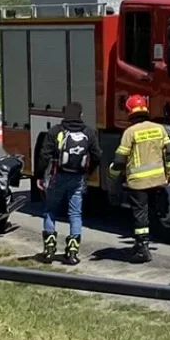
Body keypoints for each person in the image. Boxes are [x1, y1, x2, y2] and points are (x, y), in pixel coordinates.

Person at [109, 95, 170, 263]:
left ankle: (142, 248)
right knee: (151, 211)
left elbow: (119, 159)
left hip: (138, 182)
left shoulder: (130, 132)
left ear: (130, 112)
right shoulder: (160, 129)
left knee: (140, 213)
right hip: (157, 179)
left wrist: (113, 178)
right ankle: (144, 242)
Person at [38, 102, 102, 265]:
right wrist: (89, 171)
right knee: (75, 214)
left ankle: (49, 250)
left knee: (50, 210)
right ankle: (72, 252)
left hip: (56, 176)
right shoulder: (89, 132)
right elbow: (97, 155)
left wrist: (39, 176)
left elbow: (44, 155)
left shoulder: (55, 131)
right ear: (81, 115)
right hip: (77, 178)